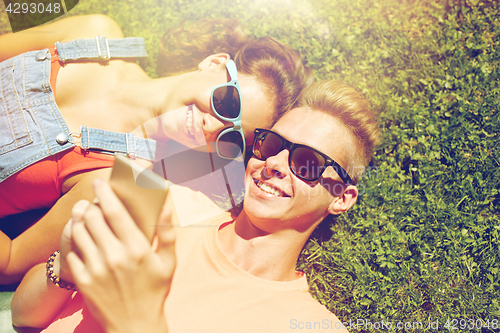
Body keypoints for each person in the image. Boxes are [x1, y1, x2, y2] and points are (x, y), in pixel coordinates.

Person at [11, 80, 381, 332]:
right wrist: (65, 266)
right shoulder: (162, 200)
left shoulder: (307, 325)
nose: (274, 164)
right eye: (270, 145)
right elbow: (24, 315)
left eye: (306, 163)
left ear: (341, 197)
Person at [0, 14, 312, 283]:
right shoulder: (96, 34)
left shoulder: (110, 179)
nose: (213, 127)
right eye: (227, 104)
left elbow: (11, 262)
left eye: (232, 138)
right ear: (215, 64)